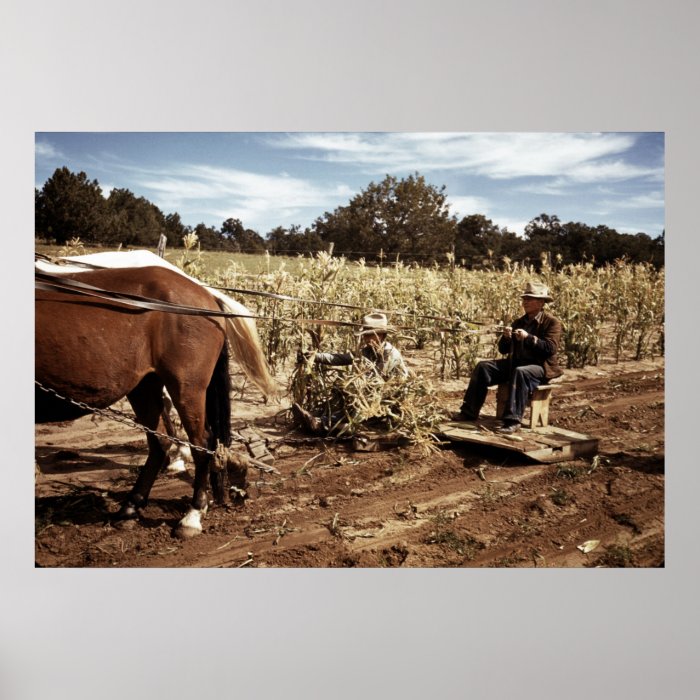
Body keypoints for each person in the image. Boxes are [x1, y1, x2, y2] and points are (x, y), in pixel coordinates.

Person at [458, 281, 563, 433]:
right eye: (524, 299)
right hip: (516, 363)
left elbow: (550, 348)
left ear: (541, 302)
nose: (525, 302)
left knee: (521, 372)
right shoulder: (519, 322)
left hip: (540, 367)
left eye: (529, 299)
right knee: (483, 367)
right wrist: (506, 338)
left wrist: (528, 338)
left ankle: (512, 421)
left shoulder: (552, 323)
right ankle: (468, 412)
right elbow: (503, 350)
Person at [292, 312, 409, 433]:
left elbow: (375, 381)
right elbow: (340, 358)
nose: (366, 339)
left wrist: (352, 385)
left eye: (369, 335)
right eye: (365, 336)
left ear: (381, 335)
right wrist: (315, 356)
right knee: (340, 395)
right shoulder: (367, 351)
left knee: (355, 405)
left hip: (389, 397)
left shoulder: (390, 354)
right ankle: (320, 418)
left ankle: (323, 425)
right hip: (371, 393)